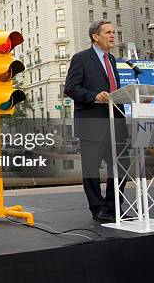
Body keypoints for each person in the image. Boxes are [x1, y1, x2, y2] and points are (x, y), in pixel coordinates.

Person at [64, 20, 128, 222]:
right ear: (95, 36)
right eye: (108, 32)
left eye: (114, 32)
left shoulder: (113, 61)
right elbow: (71, 88)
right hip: (92, 124)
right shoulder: (81, 58)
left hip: (115, 121)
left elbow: (114, 90)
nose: (113, 36)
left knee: (121, 166)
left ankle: (114, 206)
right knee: (91, 169)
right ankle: (98, 208)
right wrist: (93, 96)